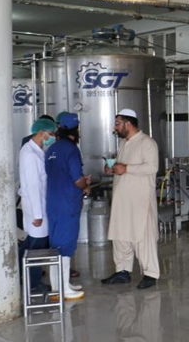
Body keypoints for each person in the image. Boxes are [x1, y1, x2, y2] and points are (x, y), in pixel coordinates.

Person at [102, 108, 160, 289]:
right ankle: (122, 271)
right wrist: (112, 169)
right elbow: (122, 167)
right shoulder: (123, 144)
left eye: (118, 123)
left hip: (140, 201)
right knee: (120, 236)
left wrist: (126, 168)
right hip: (121, 201)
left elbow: (152, 168)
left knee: (142, 237)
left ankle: (150, 273)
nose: (115, 127)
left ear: (128, 123)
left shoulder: (147, 143)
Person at [45, 112, 89, 300]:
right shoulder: (71, 150)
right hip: (67, 203)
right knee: (66, 245)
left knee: (56, 244)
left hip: (53, 202)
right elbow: (76, 178)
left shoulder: (52, 149)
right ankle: (63, 289)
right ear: (75, 130)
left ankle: (58, 286)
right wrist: (85, 185)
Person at [17, 118, 56, 294]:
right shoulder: (30, 155)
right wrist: (38, 215)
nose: (52, 137)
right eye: (51, 133)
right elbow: (33, 186)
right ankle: (33, 283)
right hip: (35, 207)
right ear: (42, 133)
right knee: (37, 246)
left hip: (37, 204)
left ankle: (18, 272)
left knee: (30, 244)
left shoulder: (35, 150)